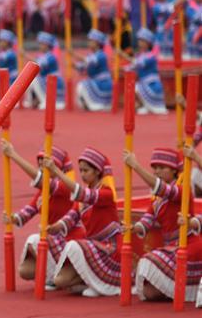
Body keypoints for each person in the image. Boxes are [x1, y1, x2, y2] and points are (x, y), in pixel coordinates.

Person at [125, 148, 202, 303]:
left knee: (149, 260)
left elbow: (162, 188)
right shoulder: (157, 200)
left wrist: (136, 166)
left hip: (189, 245)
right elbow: (146, 221)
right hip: (171, 248)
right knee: (149, 293)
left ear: (174, 171)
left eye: (162, 168)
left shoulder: (182, 190)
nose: (157, 171)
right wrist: (133, 228)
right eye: (155, 168)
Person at [1, 140, 80, 288]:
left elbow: (40, 180)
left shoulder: (65, 187)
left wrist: (13, 155)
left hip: (70, 240)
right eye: (40, 167)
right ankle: (55, 275)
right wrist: (11, 218)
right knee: (25, 271)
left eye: (45, 167)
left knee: (35, 239)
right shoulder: (44, 192)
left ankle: (75, 277)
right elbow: (26, 214)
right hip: (51, 240)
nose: (42, 170)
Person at [46, 148, 122, 297]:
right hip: (93, 249)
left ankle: (100, 283)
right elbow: (71, 216)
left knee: (74, 245)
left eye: (86, 171)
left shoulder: (106, 193)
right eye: (80, 171)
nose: (82, 175)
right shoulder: (83, 198)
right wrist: (55, 227)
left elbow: (82, 194)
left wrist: (56, 170)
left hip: (110, 249)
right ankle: (89, 281)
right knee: (60, 280)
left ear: (97, 172)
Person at [117, 28, 167, 115]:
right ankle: (144, 106)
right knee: (132, 87)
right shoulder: (139, 55)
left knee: (135, 87)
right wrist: (121, 69)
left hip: (152, 86)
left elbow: (138, 63)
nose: (140, 43)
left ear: (148, 43)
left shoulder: (151, 56)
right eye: (139, 40)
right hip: (144, 84)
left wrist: (122, 54)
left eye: (143, 41)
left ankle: (147, 105)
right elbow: (132, 67)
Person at [73, 29, 113, 112]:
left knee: (83, 85)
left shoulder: (101, 55)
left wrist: (73, 54)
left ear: (98, 43)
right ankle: (90, 104)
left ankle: (97, 104)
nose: (89, 43)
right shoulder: (92, 55)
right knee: (82, 85)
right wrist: (73, 65)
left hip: (103, 83)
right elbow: (82, 67)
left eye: (91, 41)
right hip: (95, 82)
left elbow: (88, 61)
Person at [24, 31, 65, 110]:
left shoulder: (51, 56)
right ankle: (30, 101)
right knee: (30, 79)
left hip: (54, 81)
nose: (40, 46)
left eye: (42, 44)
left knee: (36, 80)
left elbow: (39, 64)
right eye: (40, 44)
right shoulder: (42, 55)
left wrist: (25, 56)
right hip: (46, 80)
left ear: (47, 45)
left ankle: (45, 101)